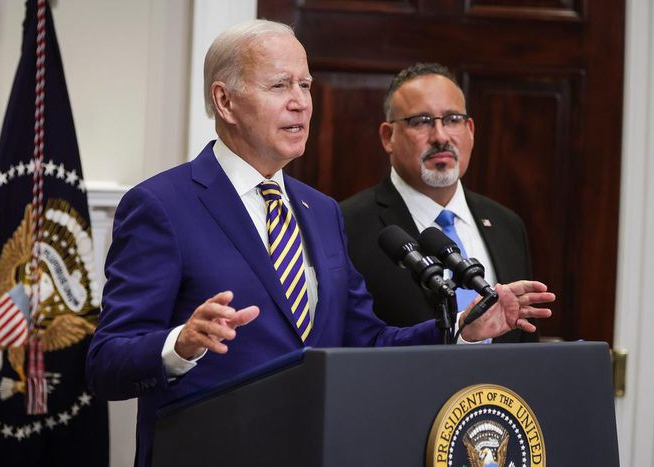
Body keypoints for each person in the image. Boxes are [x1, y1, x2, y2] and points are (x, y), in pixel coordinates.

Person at [85, 23, 554, 467]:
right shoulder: (161, 206)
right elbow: (106, 361)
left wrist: (459, 328)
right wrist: (179, 345)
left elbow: (366, 340)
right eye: (279, 86)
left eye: (306, 86)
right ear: (225, 102)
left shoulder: (321, 211)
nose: (301, 104)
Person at [341, 63, 536, 342]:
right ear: (388, 137)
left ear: (470, 130)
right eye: (421, 121)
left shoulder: (507, 224)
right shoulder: (347, 225)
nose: (441, 137)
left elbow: (522, 338)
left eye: (453, 119)